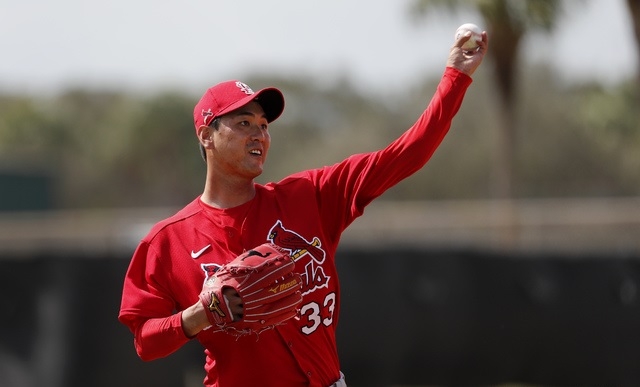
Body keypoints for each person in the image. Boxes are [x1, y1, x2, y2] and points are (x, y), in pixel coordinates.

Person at [118, 29, 488, 387]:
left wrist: (455, 77)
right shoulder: (169, 241)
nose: (259, 135)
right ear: (206, 136)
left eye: (263, 126)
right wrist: (198, 315)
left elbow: (407, 153)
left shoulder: (309, 196)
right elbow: (145, 341)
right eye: (243, 123)